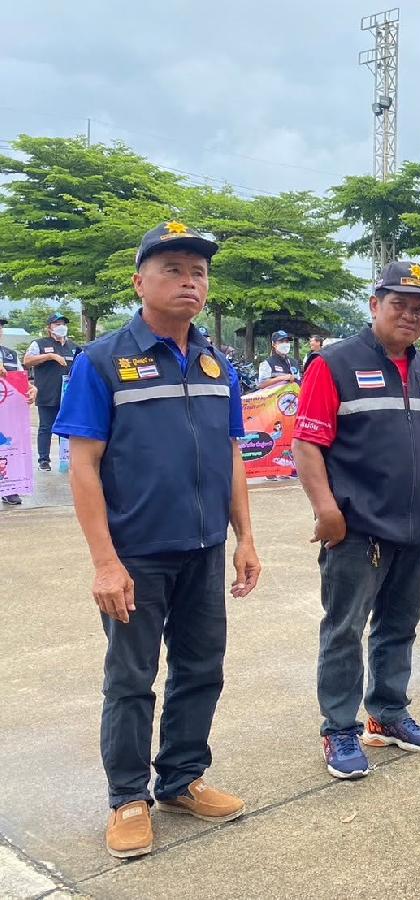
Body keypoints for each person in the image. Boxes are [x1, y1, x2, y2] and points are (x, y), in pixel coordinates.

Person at [52, 221, 261, 859]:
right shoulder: (101, 361)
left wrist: (245, 537)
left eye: (198, 272)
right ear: (139, 282)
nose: (189, 281)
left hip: (203, 550)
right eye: (173, 269)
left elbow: (231, 455)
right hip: (136, 554)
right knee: (131, 677)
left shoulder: (217, 363)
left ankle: (181, 780)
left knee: (201, 669)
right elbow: (83, 467)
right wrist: (105, 563)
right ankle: (127, 798)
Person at [293, 259, 420, 780]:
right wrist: (326, 510)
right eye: (399, 305)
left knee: (399, 624)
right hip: (357, 528)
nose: (410, 316)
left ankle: (387, 713)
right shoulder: (334, 364)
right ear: (374, 305)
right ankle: (339, 728)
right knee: (344, 629)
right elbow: (306, 443)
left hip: (416, 527)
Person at [24, 312, 79, 471]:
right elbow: (27, 361)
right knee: (46, 427)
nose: (61, 327)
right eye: (57, 324)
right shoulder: (39, 344)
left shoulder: (73, 346)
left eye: (63, 324)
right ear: (49, 328)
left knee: (66, 428)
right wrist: (50, 356)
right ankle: (44, 460)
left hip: (68, 395)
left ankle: (66, 459)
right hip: (47, 393)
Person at [1, 315, 33, 505]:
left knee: (7, 448)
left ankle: (8, 488)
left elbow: (21, 381)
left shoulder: (10, 355)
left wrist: (31, 389)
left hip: (8, 416)